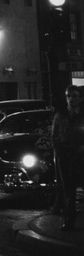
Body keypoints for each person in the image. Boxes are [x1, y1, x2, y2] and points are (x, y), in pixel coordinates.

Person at [51, 85, 84, 231]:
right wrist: (59, 153)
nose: (72, 99)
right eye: (69, 96)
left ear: (80, 98)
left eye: (75, 96)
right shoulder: (60, 115)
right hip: (65, 157)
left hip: (81, 156)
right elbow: (54, 136)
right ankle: (69, 220)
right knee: (68, 191)